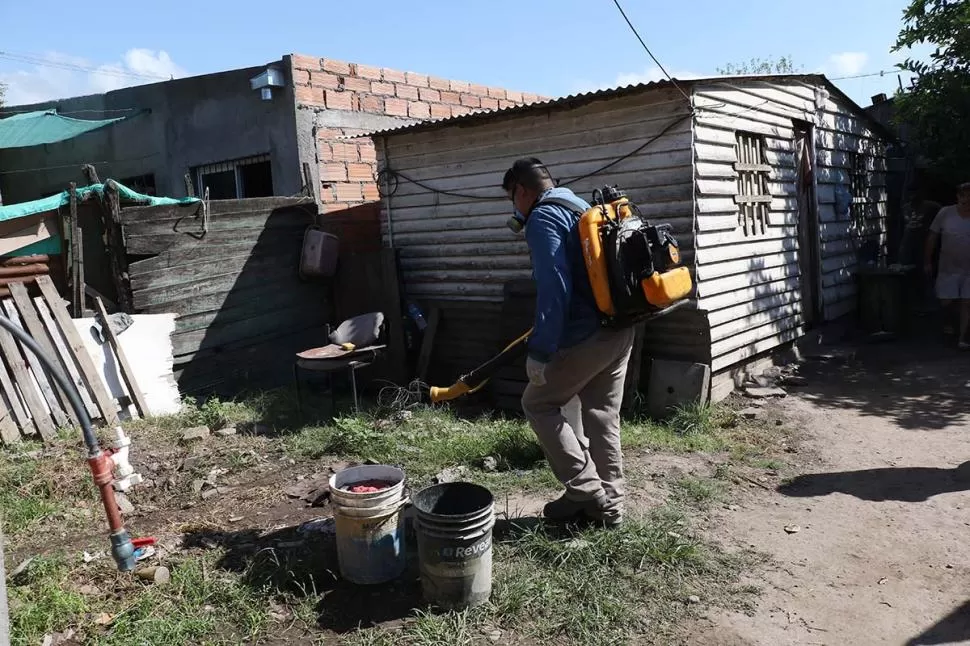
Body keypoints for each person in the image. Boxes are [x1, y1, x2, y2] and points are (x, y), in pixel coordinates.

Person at [501, 158, 635, 528]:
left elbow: (553, 288)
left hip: (586, 334)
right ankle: (611, 508)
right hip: (620, 328)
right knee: (601, 415)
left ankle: (584, 489)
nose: (514, 207)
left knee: (538, 404)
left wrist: (541, 351)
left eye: (512, 198)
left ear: (522, 191)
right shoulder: (582, 206)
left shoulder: (544, 218)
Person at [924, 182, 970, 349]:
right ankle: (949, 324)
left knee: (967, 302)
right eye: (964, 195)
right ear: (958, 197)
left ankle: (963, 338)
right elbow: (932, 237)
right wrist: (927, 261)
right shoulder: (945, 213)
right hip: (948, 267)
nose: (967, 199)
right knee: (946, 301)